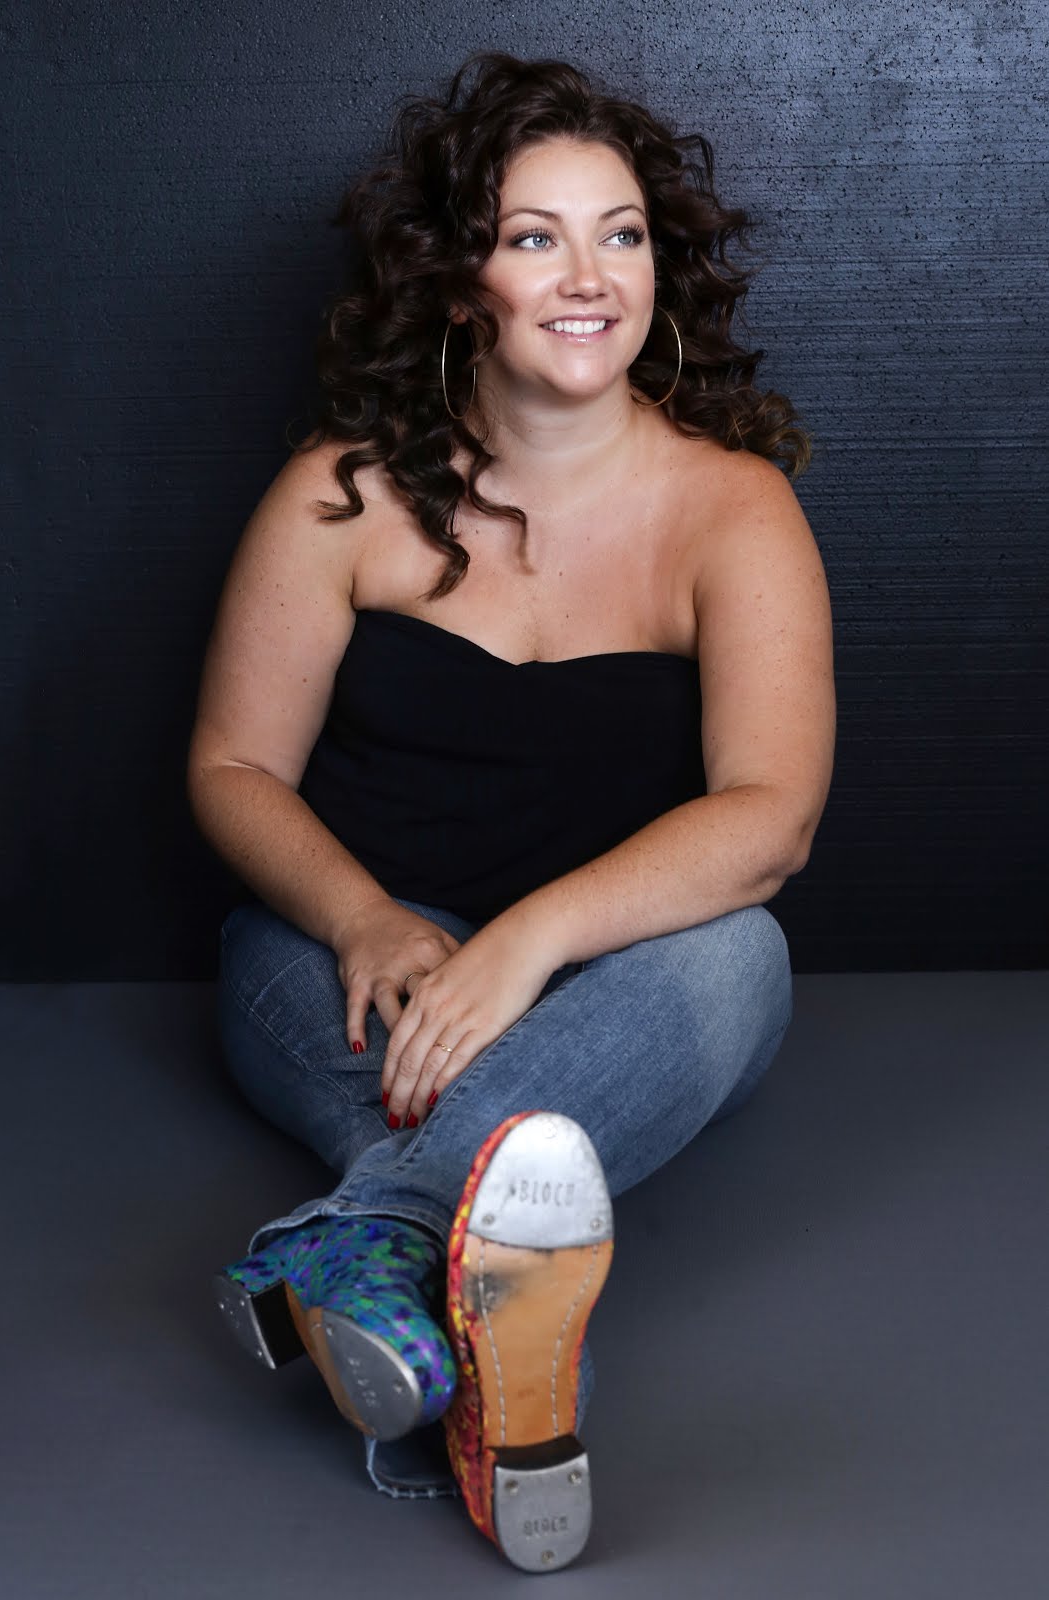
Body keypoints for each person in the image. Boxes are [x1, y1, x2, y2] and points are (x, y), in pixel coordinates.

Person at [187, 50, 835, 1573]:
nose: (589, 277)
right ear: (457, 278)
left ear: (660, 270)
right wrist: (364, 919)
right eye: (535, 236)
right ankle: (508, 1380)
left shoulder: (735, 509)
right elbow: (232, 770)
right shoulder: (339, 495)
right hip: (350, 962)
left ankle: (371, 1242)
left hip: (631, 977)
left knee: (744, 956)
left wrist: (531, 943)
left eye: (622, 234)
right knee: (324, 998)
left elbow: (771, 816)